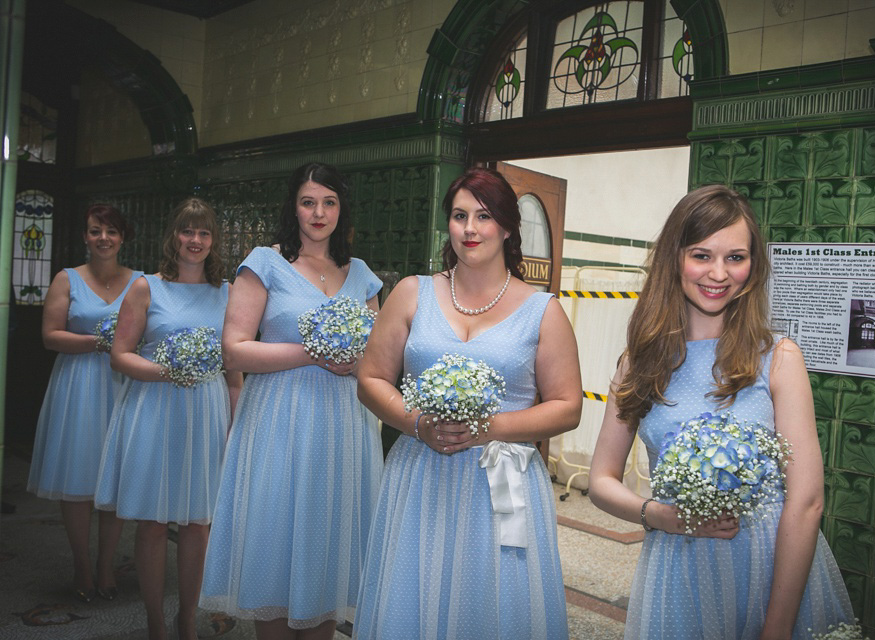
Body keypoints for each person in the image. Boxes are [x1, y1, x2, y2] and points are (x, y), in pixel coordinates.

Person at [588, 185, 855, 639]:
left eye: (735, 257)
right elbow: (600, 482)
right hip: (679, 570)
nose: (719, 273)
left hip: (769, 569)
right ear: (675, 258)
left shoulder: (779, 359)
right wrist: (661, 515)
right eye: (702, 255)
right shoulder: (640, 362)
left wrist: (777, 627)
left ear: (752, 268)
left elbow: (807, 502)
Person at [353, 167, 582, 639]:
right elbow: (371, 378)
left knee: (491, 608)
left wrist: (489, 428)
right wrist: (417, 424)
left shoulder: (544, 310)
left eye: (484, 215)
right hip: (420, 475)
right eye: (460, 216)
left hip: (502, 482)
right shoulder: (412, 292)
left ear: (507, 226)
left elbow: (567, 406)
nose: (471, 228)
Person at [199, 163, 383, 640]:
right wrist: (313, 352)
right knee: (277, 544)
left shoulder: (361, 276)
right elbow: (234, 348)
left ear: (342, 209)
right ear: (293, 207)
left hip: (343, 426)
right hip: (281, 420)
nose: (318, 213)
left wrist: (358, 361)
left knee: (327, 549)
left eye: (329, 202)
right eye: (308, 202)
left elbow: (377, 358)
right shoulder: (266, 262)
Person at [95, 198, 242, 640]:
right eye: (187, 231)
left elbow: (234, 373)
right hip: (155, 410)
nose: (195, 241)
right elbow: (120, 357)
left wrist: (235, 426)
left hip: (207, 414)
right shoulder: (146, 288)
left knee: (199, 523)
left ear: (213, 241)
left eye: (204, 233)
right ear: (172, 236)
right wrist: (169, 370)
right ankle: (156, 621)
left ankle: (187, 620)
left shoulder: (228, 293)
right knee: (155, 522)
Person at [27, 204, 141, 602]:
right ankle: (81, 563)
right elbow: (50, 336)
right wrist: (99, 342)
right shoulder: (67, 279)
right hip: (79, 384)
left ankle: (107, 564)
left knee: (114, 478)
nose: (104, 238)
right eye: (96, 231)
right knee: (78, 478)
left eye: (111, 231)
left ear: (123, 237)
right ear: (85, 237)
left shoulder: (141, 281)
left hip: (125, 384)